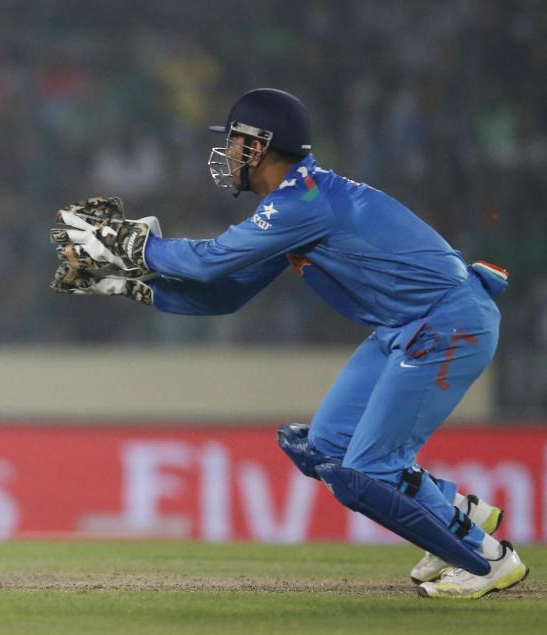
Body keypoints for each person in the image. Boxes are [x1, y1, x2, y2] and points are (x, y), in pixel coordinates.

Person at [51, 88, 527, 599]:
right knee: (323, 448)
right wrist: (123, 283)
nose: (227, 152)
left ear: (260, 146)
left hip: (447, 325)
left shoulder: (303, 202)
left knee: (363, 472)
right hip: (406, 327)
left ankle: (488, 558)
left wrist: (133, 244)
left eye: (234, 140)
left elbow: (210, 259)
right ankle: (448, 511)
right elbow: (226, 294)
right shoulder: (297, 201)